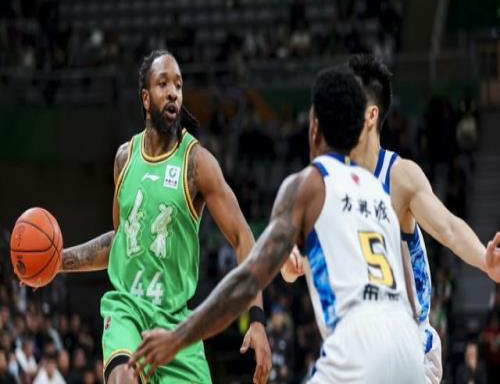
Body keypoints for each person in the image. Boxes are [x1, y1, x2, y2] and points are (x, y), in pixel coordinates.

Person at [128, 66, 425, 383]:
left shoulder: (309, 184)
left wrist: (178, 338)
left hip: (360, 348)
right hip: (410, 348)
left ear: (314, 128)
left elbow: (247, 280)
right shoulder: (379, 193)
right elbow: (409, 292)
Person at [50, 50, 271, 383]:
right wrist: (57, 262)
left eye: (178, 85)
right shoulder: (125, 159)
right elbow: (122, 242)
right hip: (128, 310)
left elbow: (243, 238)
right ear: (145, 97)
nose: (173, 93)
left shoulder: (197, 163)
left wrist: (256, 319)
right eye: (163, 83)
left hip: (176, 327)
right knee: (123, 378)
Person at [282, 54, 500, 384]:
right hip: (358, 343)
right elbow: (290, 270)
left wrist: (484, 259)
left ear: (371, 115)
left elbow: (449, 228)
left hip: (409, 343)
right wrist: (290, 264)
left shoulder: (400, 176)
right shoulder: (329, 181)